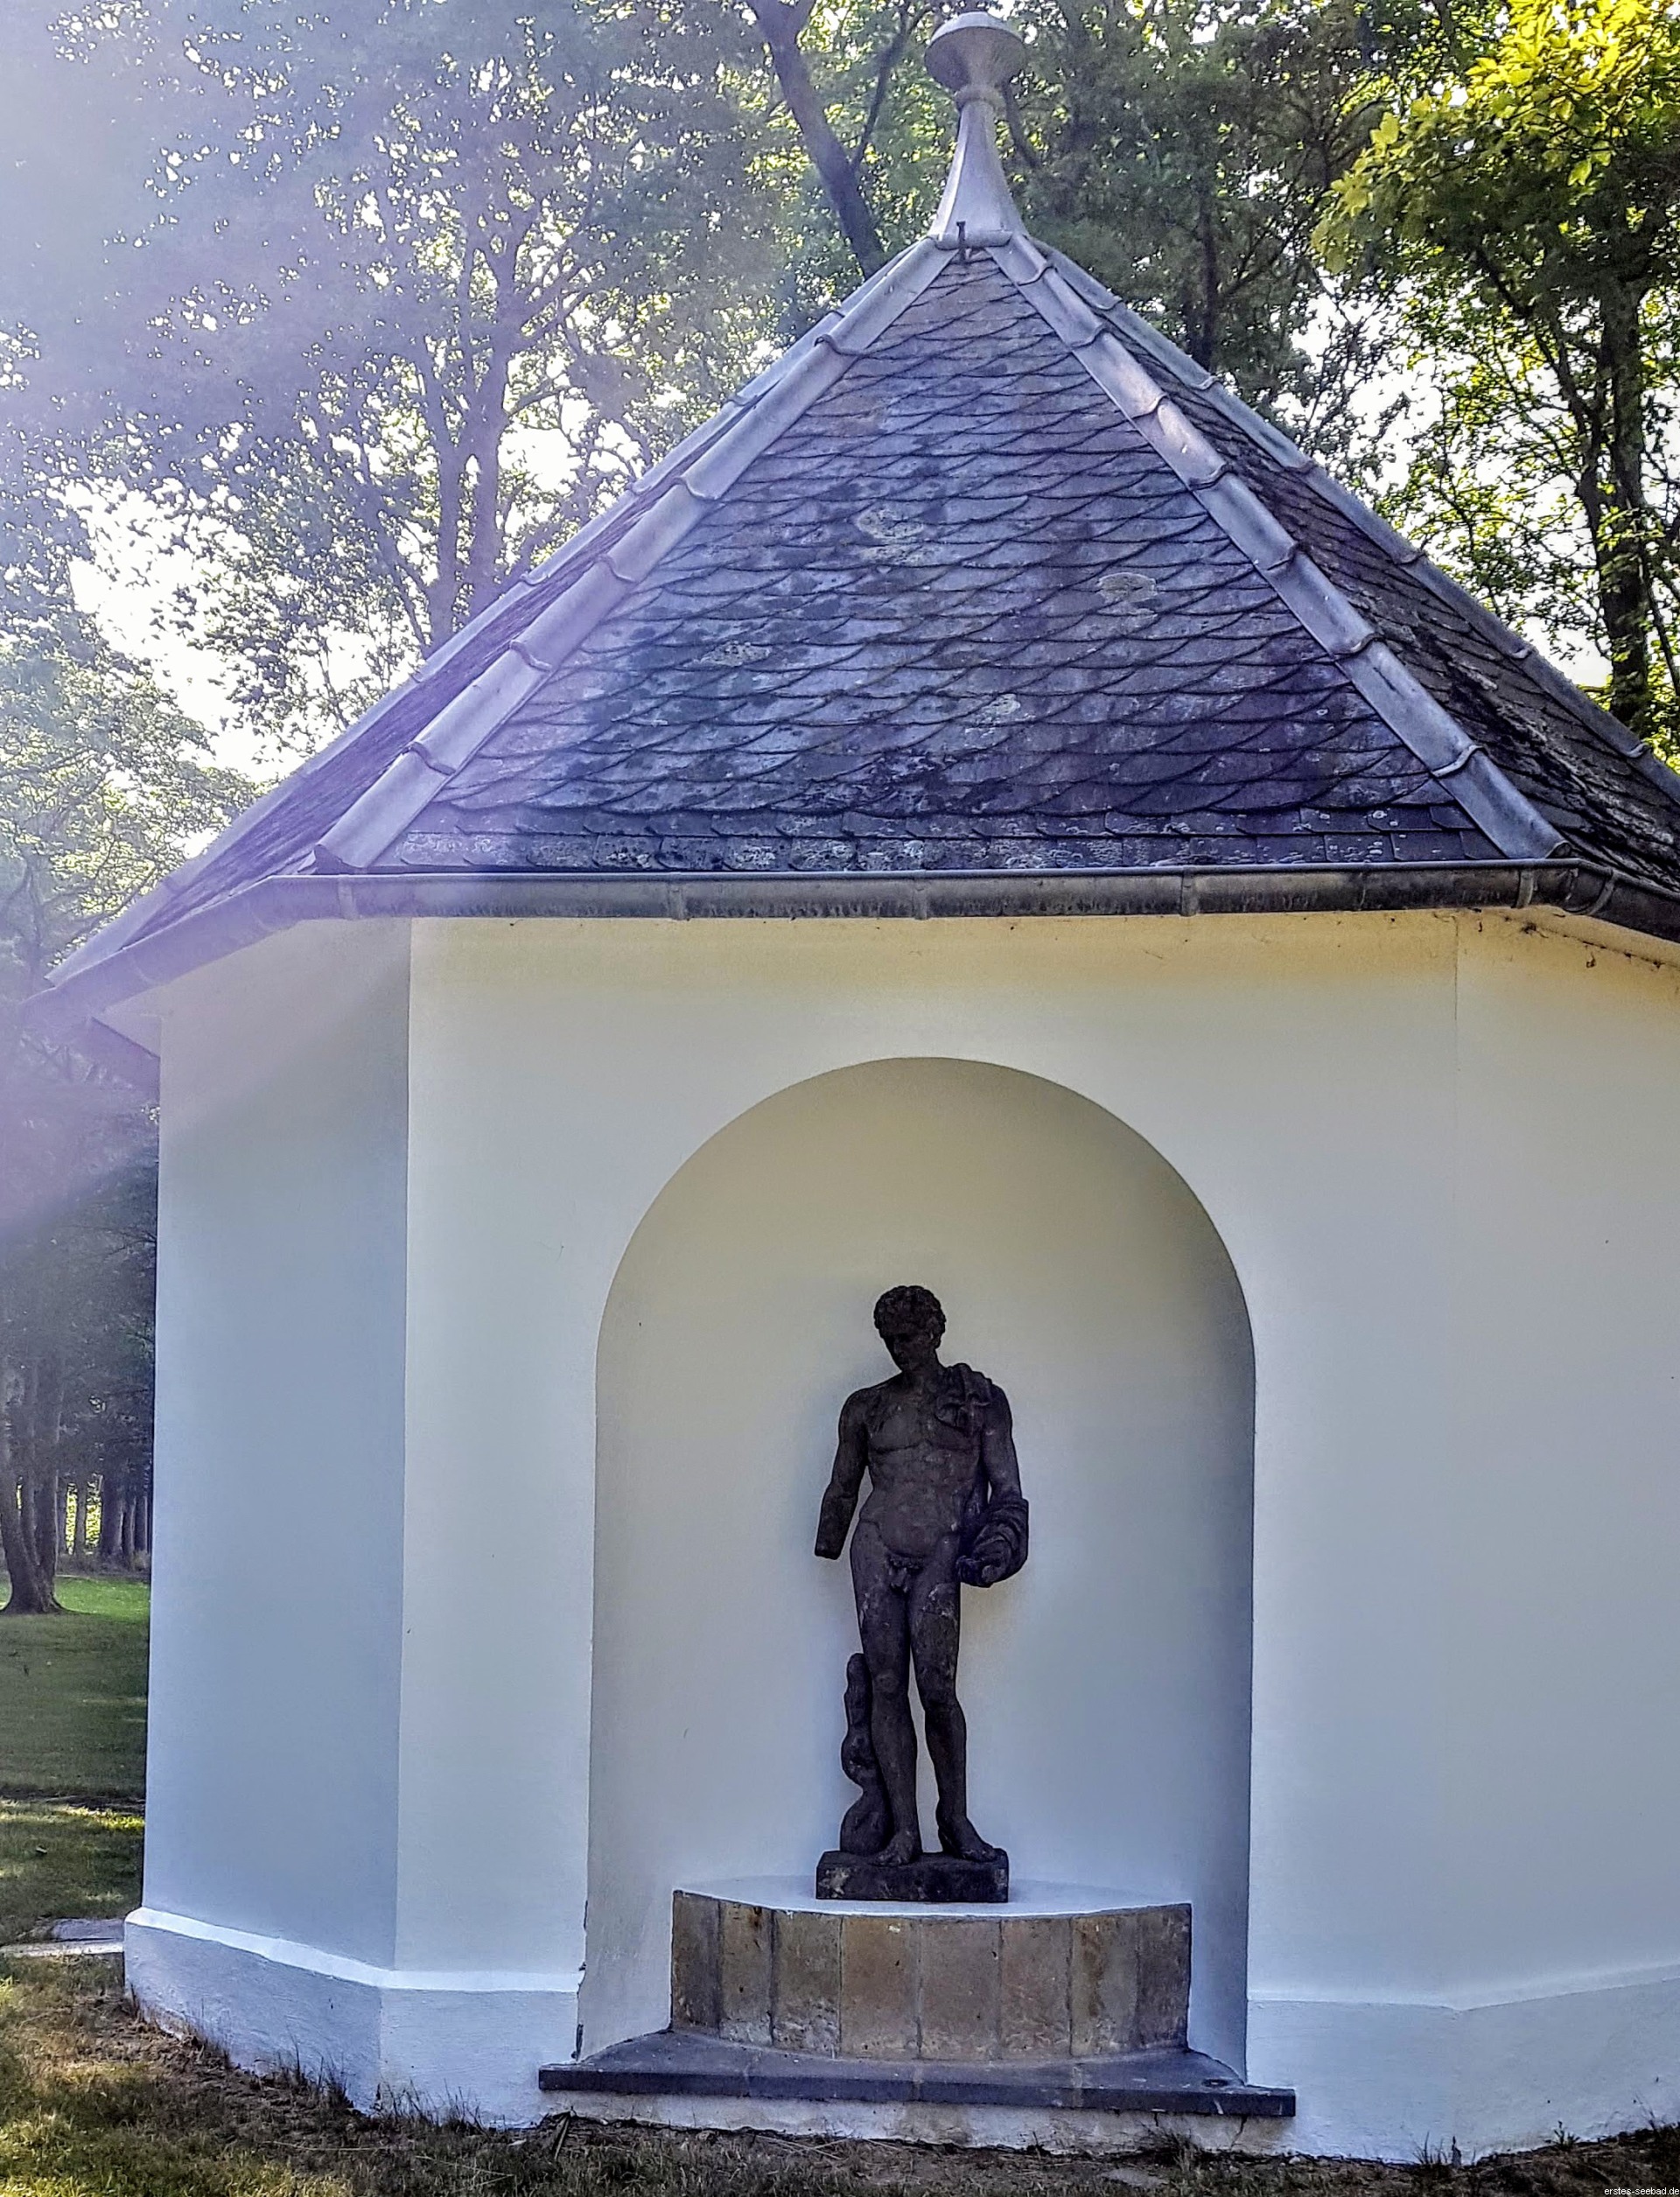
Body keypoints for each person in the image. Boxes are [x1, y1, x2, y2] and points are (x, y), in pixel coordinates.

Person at [815, 1284, 1028, 1866]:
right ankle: (903, 1830)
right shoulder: (866, 1407)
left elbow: (1008, 1491)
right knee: (886, 1683)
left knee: (937, 1689)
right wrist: (828, 1539)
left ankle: (954, 1820)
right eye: (890, 1339)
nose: (899, 1348)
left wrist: (998, 1547)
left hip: (941, 1547)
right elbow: (843, 1486)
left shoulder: (978, 1400)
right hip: (876, 1544)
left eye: (908, 1336)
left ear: (935, 1332)